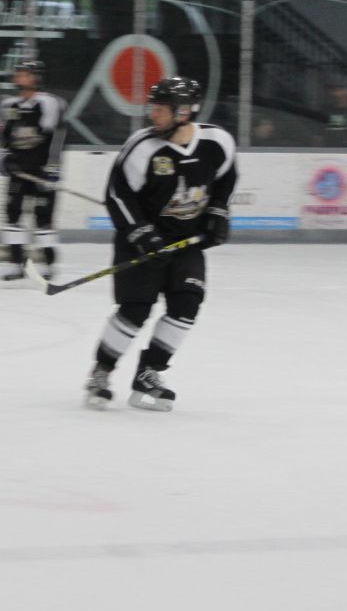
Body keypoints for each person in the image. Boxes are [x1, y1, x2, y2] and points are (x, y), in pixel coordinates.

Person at [85, 76, 237, 412]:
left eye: (160, 108)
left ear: (183, 112)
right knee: (135, 309)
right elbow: (117, 196)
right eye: (153, 107)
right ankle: (101, 372)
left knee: (187, 304)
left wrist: (218, 211)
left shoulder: (217, 142)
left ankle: (149, 372)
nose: (152, 114)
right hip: (140, 241)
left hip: (186, 243)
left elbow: (227, 178)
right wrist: (142, 235)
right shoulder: (142, 147)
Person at [0, 59, 67, 283]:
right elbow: (5, 137)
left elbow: (56, 138)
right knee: (12, 215)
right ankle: (16, 264)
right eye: (19, 73)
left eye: (25, 73)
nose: (20, 77)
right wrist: (4, 157)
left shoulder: (48, 103)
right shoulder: (10, 105)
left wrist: (53, 167)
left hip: (41, 171)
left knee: (43, 217)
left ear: (36, 77)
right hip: (19, 172)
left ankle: (48, 265)